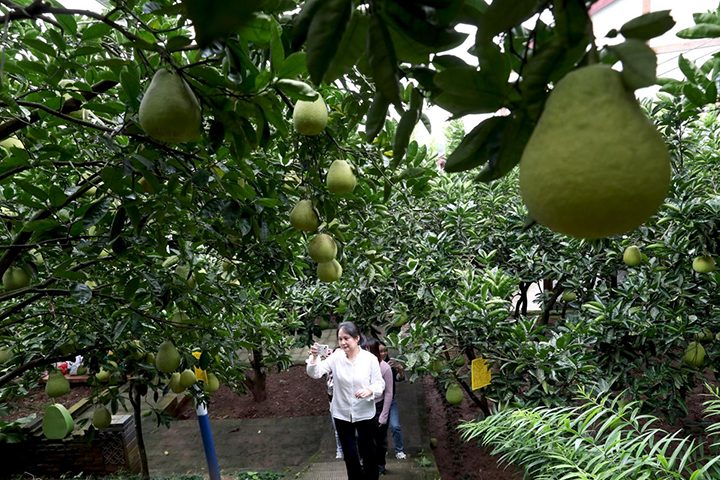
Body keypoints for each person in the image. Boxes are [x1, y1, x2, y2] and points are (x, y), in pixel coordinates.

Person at [307, 322, 385, 480]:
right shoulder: (336, 357)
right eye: (340, 339)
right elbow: (315, 373)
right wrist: (315, 357)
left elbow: (380, 384)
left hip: (364, 413)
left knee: (368, 452)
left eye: (346, 338)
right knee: (350, 455)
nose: (342, 342)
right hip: (342, 414)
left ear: (356, 339)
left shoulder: (369, 359)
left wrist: (369, 390)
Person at [363, 338, 393, 475]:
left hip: (379, 406)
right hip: (364, 406)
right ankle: (366, 463)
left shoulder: (385, 368)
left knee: (380, 441)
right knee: (363, 439)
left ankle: (380, 464)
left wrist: (384, 415)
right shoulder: (359, 367)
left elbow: (388, 392)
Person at [379, 343, 408, 460]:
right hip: (378, 401)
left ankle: (399, 451)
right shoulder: (372, 365)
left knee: (395, 426)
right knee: (381, 427)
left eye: (385, 351)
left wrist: (400, 372)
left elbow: (398, 379)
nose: (384, 353)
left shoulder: (390, 363)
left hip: (391, 400)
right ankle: (382, 449)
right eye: (381, 351)